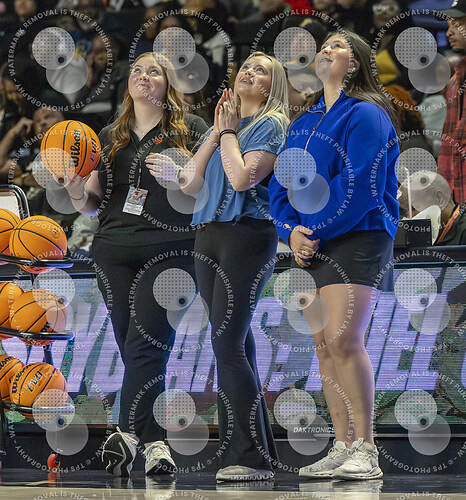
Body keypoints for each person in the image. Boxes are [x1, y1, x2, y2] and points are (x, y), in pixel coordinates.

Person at [61, 51, 208, 476]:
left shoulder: (192, 129)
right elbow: (90, 204)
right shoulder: (109, 135)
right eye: (137, 70)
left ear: (169, 83)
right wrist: (73, 185)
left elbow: (210, 192)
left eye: (154, 71)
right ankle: (153, 443)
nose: (143, 76)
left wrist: (180, 179)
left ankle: (128, 434)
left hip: (172, 249)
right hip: (114, 249)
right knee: (133, 347)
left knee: (147, 344)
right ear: (128, 83)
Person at [149, 52, 289, 481]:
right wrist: (215, 132)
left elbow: (243, 178)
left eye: (261, 70)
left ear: (272, 87)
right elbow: (192, 184)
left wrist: (227, 132)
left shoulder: (271, 123)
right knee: (234, 344)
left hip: (246, 234)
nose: (249, 72)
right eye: (246, 66)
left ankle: (250, 458)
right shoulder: (225, 124)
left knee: (227, 345)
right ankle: (253, 453)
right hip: (208, 232)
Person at [269, 30, 400, 480]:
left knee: (344, 341)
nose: (326, 49)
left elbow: (362, 184)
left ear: (357, 62)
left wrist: (314, 231)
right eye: (323, 45)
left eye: (338, 46)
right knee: (324, 348)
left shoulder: (366, 112)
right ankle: (342, 445)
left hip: (358, 233)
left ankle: (367, 448)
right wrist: (290, 231)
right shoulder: (303, 121)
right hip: (312, 241)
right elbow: (280, 186)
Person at [437, 0, 466, 203]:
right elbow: (448, 145)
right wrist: (445, 198)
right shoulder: (454, 82)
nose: (449, 32)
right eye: (448, 26)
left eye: (457, 24)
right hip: (460, 199)